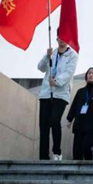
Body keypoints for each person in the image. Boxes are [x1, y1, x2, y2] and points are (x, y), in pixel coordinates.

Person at [37, 33, 79, 161]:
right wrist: (46, 56)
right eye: (60, 36)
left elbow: (69, 72)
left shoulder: (72, 55)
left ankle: (57, 152)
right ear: (57, 38)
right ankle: (43, 157)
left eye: (65, 36)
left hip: (61, 94)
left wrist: (57, 81)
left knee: (54, 120)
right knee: (44, 126)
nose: (62, 39)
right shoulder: (52, 53)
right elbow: (40, 68)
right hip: (46, 93)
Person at [66, 67, 93, 160]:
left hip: (91, 125)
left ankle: (88, 165)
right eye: (89, 73)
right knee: (77, 150)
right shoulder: (80, 91)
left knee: (87, 147)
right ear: (86, 76)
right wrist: (70, 119)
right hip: (79, 123)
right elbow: (74, 106)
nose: (91, 75)